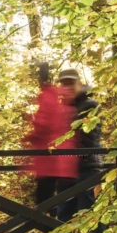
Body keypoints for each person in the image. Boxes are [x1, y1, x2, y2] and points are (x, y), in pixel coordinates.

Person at [24, 63, 78, 222]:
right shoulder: (59, 99)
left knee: (46, 207)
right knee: (60, 208)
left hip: (52, 163)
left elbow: (45, 125)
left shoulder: (49, 97)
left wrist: (31, 136)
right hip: (63, 163)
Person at [57, 68, 102, 216]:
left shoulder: (90, 105)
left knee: (88, 214)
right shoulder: (61, 108)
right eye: (64, 84)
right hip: (65, 170)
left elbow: (89, 138)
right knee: (64, 214)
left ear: (79, 84)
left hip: (86, 167)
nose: (67, 87)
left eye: (71, 83)